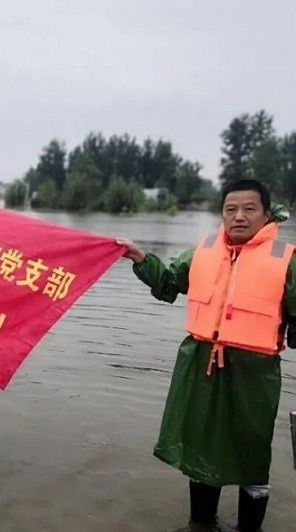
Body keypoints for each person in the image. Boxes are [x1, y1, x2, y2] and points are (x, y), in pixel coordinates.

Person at [118, 179, 294, 531]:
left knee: (252, 449)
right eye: (231, 209)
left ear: (266, 213)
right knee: (200, 443)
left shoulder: (286, 259)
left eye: (249, 209)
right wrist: (140, 258)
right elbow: (167, 283)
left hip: (255, 372)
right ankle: (201, 523)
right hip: (200, 364)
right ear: (222, 214)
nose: (239, 217)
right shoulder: (202, 251)